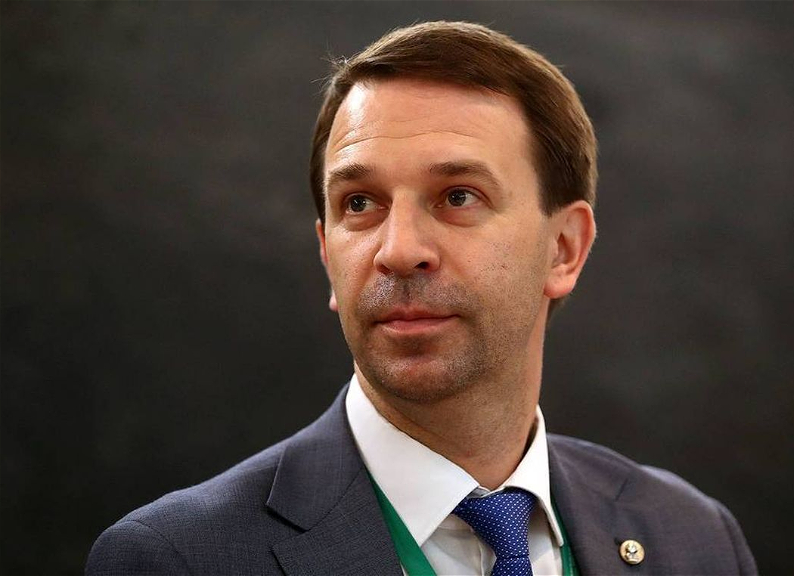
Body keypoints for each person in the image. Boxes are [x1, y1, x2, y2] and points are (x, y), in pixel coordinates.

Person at [86, 21, 757, 576]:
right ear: (326, 254)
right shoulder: (173, 560)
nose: (399, 249)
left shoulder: (695, 540)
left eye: (458, 196)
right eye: (360, 203)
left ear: (564, 249)